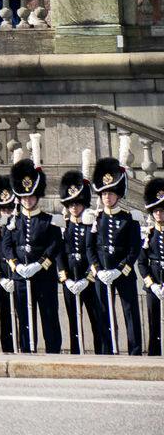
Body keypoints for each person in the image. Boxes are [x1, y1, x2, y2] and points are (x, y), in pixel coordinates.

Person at [0, 141, 60, 355]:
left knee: (49, 317)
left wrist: (39, 264)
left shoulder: (48, 220)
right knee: (25, 319)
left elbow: (54, 246)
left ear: (37, 196)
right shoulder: (13, 221)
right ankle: (27, 352)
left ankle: (53, 352)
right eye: (24, 197)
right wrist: (15, 265)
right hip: (20, 277)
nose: (27, 200)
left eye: (31, 196)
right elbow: (6, 247)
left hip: (43, 276)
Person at [93, 146, 143, 355]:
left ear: (117, 195)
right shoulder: (94, 219)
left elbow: (134, 249)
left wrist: (121, 268)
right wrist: (97, 268)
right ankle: (107, 349)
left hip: (123, 272)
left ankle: (135, 350)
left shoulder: (128, 219)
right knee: (103, 312)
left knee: (130, 311)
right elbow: (90, 247)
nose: (107, 197)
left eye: (110, 193)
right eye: (104, 193)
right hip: (102, 272)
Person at [57, 163, 104, 354]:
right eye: (70, 204)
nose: (74, 207)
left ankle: (100, 352)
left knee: (96, 320)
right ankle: (76, 352)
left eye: (77, 203)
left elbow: (94, 252)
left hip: (88, 280)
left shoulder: (90, 226)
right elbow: (59, 254)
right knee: (73, 321)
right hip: (69, 280)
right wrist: (65, 278)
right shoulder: (63, 226)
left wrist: (88, 278)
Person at [0, 173, 19, 354]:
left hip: (18, 276)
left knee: (22, 315)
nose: (5, 212)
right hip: (1, 279)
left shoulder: (17, 227)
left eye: (8, 208)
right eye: (3, 209)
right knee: (5, 317)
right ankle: (7, 348)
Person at [140, 177, 164, 356]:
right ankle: (154, 352)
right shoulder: (148, 234)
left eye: (162, 211)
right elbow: (142, 262)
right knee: (153, 320)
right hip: (154, 282)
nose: (159, 215)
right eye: (156, 211)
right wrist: (151, 283)